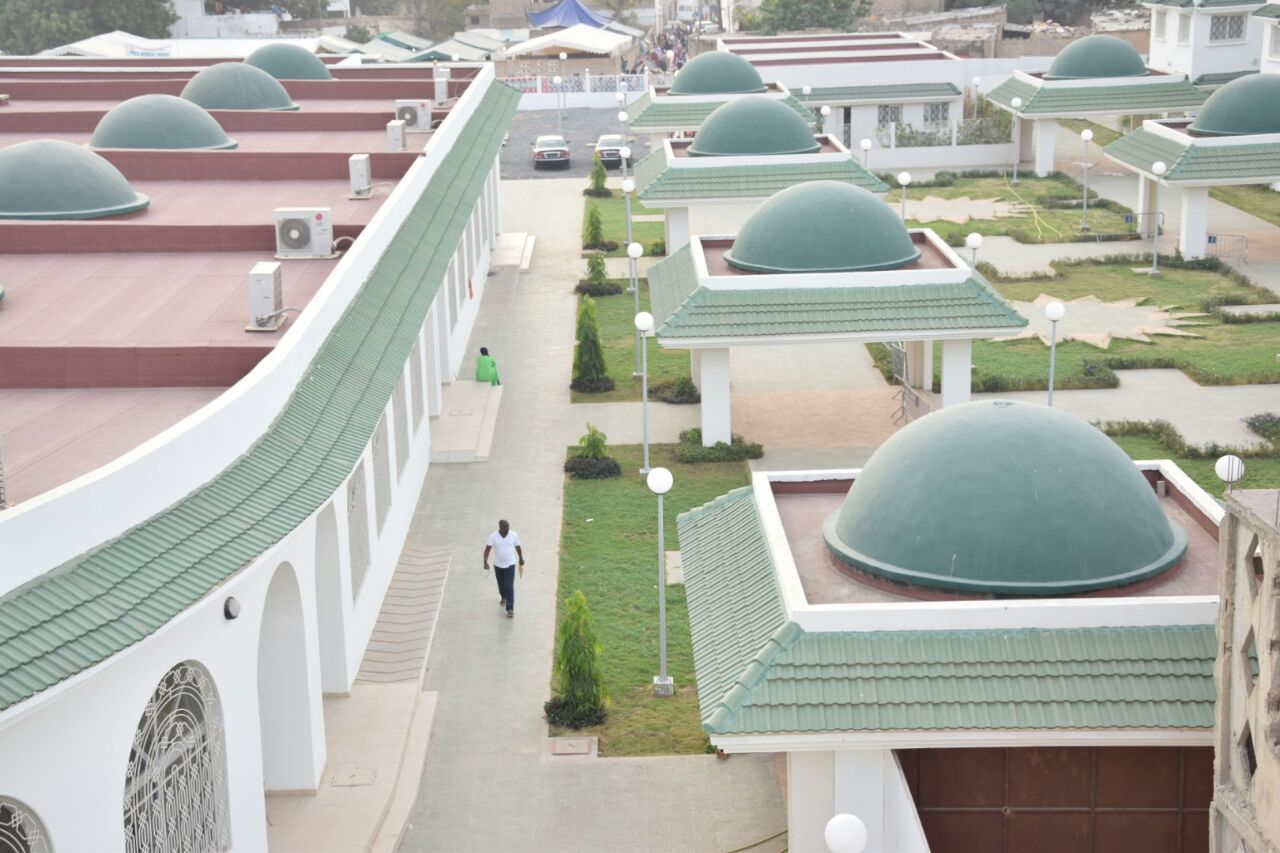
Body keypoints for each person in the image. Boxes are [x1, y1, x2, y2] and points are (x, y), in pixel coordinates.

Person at [483, 519, 524, 618]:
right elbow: (487, 549)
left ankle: (510, 609)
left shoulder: (513, 534)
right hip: (498, 565)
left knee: (509, 586)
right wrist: (485, 562)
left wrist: (521, 558)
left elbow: (518, 547)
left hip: (510, 564)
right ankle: (503, 597)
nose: (507, 530)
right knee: (501, 584)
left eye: (508, 528)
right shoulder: (493, 536)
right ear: (500, 528)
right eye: (505, 528)